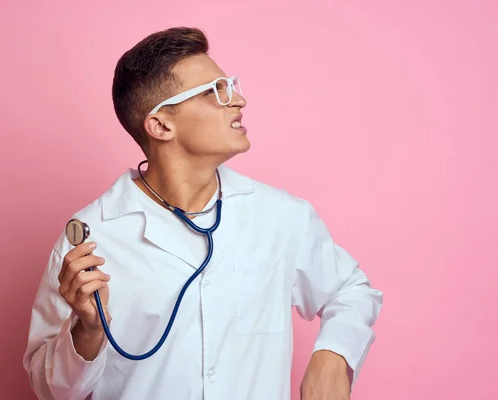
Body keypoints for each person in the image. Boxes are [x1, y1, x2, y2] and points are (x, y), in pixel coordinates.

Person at [22, 26, 383, 400]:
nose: (238, 100)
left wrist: (333, 355)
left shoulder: (280, 216)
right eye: (217, 91)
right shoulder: (91, 239)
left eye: (231, 85)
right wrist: (88, 330)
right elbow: (50, 390)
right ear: (161, 124)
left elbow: (351, 291)